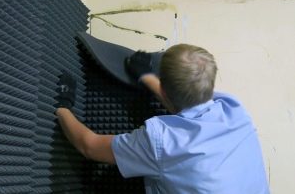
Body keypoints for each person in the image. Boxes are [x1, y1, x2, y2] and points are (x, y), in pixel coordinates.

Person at [55, 44, 270, 194]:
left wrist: (63, 107)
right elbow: (191, 99)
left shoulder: (162, 142)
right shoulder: (235, 110)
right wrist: (147, 77)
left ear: (165, 93)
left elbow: (88, 146)